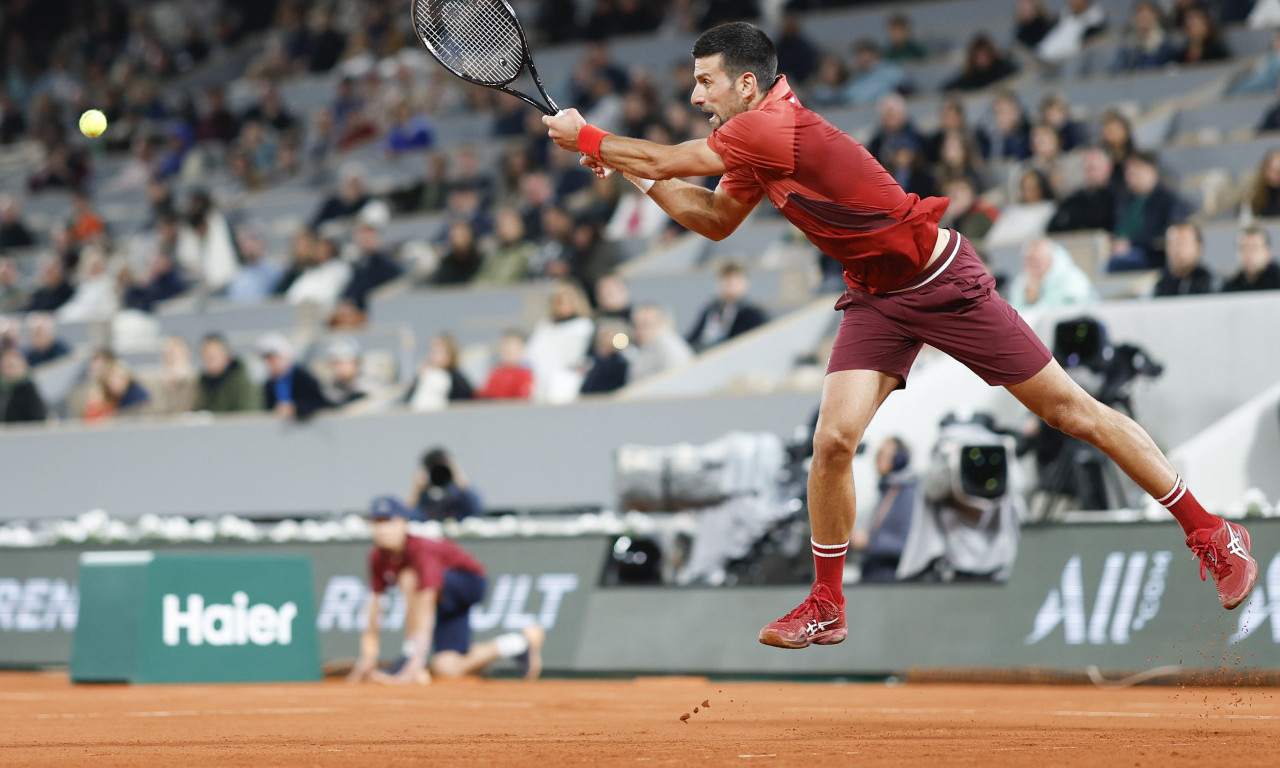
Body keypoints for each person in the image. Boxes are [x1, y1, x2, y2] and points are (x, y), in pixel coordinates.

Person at [543, 21, 1257, 649]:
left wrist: (593, 139)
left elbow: (672, 160)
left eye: (705, 83)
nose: (697, 96)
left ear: (747, 82)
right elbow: (713, 219)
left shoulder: (768, 127)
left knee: (1074, 412)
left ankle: (1212, 531)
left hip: (943, 283)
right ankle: (827, 603)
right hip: (876, 297)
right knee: (831, 442)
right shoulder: (754, 143)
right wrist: (626, 171)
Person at [348, 496, 543, 685]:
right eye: (376, 522)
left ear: (403, 523)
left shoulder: (421, 549)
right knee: (446, 667)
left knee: (408, 578)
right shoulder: (377, 556)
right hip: (443, 603)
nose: (382, 529)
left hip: (468, 584)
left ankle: (409, 655)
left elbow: (425, 602)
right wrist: (368, 656)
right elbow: (373, 606)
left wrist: (415, 661)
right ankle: (519, 642)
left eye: (388, 521)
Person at [850, 437, 918, 583]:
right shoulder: (889, 491)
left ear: (898, 459)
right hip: (876, 570)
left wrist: (869, 541)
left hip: (891, 574)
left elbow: (907, 543)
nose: (876, 459)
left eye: (881, 454)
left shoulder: (908, 494)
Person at [1109, 151, 1188, 272]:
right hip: (1120, 251)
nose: (1131, 177)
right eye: (1129, 173)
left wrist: (1131, 244)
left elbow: (1168, 233)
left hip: (1151, 255)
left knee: (1115, 264)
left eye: (1137, 172)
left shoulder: (1167, 199)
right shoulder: (1126, 200)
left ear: (1153, 171)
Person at [685, 263, 768, 352]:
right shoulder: (711, 309)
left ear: (745, 283)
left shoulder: (753, 314)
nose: (731, 283)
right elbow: (692, 338)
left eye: (736, 278)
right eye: (726, 278)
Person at [1006, 238, 1098, 314]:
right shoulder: (1021, 282)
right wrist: (1030, 300)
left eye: (1035, 261)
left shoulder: (1072, 279)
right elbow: (1014, 314)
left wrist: (1035, 301)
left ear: (1050, 259)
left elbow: (1065, 312)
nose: (1030, 266)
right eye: (1027, 261)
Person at [259, 333, 331, 420]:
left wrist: (295, 408)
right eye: (268, 360)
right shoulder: (269, 383)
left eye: (274, 358)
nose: (272, 364)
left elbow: (319, 401)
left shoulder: (302, 376)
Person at [1047, 147, 1118, 233]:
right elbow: (1054, 226)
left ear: (1109, 167)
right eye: (1086, 168)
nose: (1089, 173)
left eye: (1093, 168)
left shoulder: (1119, 196)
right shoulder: (1076, 198)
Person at [411, 448, 483, 522]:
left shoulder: (458, 492)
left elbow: (476, 511)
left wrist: (460, 479)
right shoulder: (424, 494)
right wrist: (416, 491)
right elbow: (410, 518)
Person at [195, 334, 262, 413]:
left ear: (226, 355)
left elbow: (249, 414)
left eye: (213, 356)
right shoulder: (201, 383)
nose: (209, 361)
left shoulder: (242, 382)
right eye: (205, 356)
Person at [628, 304, 694, 383]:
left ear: (662, 323)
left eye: (645, 325)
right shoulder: (646, 347)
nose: (639, 331)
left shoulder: (669, 347)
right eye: (636, 326)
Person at [1154, 223, 1216, 296]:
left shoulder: (1209, 282)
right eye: (1172, 243)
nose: (1177, 248)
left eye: (1183, 242)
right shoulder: (1162, 283)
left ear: (1198, 247)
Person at [477, 330, 534, 400]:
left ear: (521, 350)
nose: (507, 352)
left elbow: (521, 399)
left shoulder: (524, 375)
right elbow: (484, 394)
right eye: (504, 349)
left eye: (512, 349)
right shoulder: (495, 373)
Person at [1222, 227, 1280, 292]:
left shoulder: (1277, 282)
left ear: (1268, 252)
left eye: (1254, 248)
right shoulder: (1230, 288)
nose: (1248, 254)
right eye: (1243, 248)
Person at [0, 346, 46, 424]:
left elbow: (38, 418)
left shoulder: (29, 390)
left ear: (22, 367)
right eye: (4, 367)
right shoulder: (3, 389)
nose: (7, 370)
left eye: (11, 366)